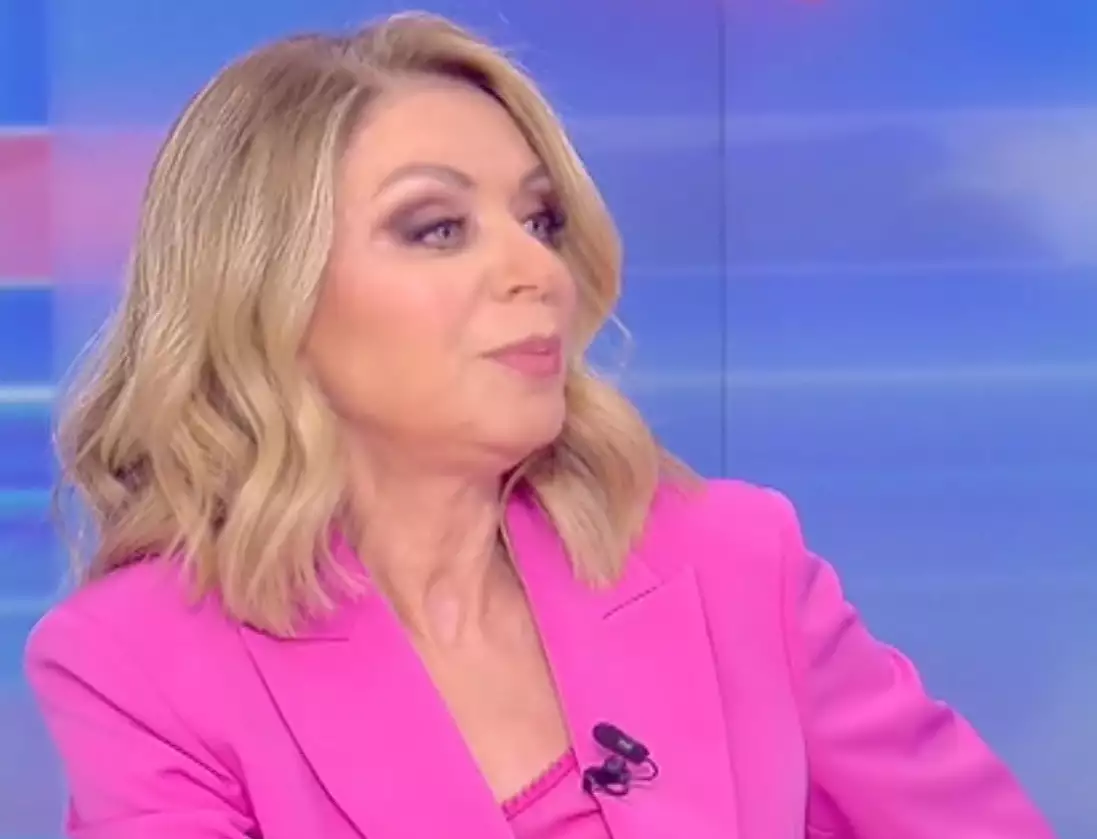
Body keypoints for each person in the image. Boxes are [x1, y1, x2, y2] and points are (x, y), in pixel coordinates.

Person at [25, 11, 1054, 839]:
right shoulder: (141, 663)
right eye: (436, 227)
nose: (536, 271)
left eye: (540, 220)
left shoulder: (734, 562)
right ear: (268, 298)